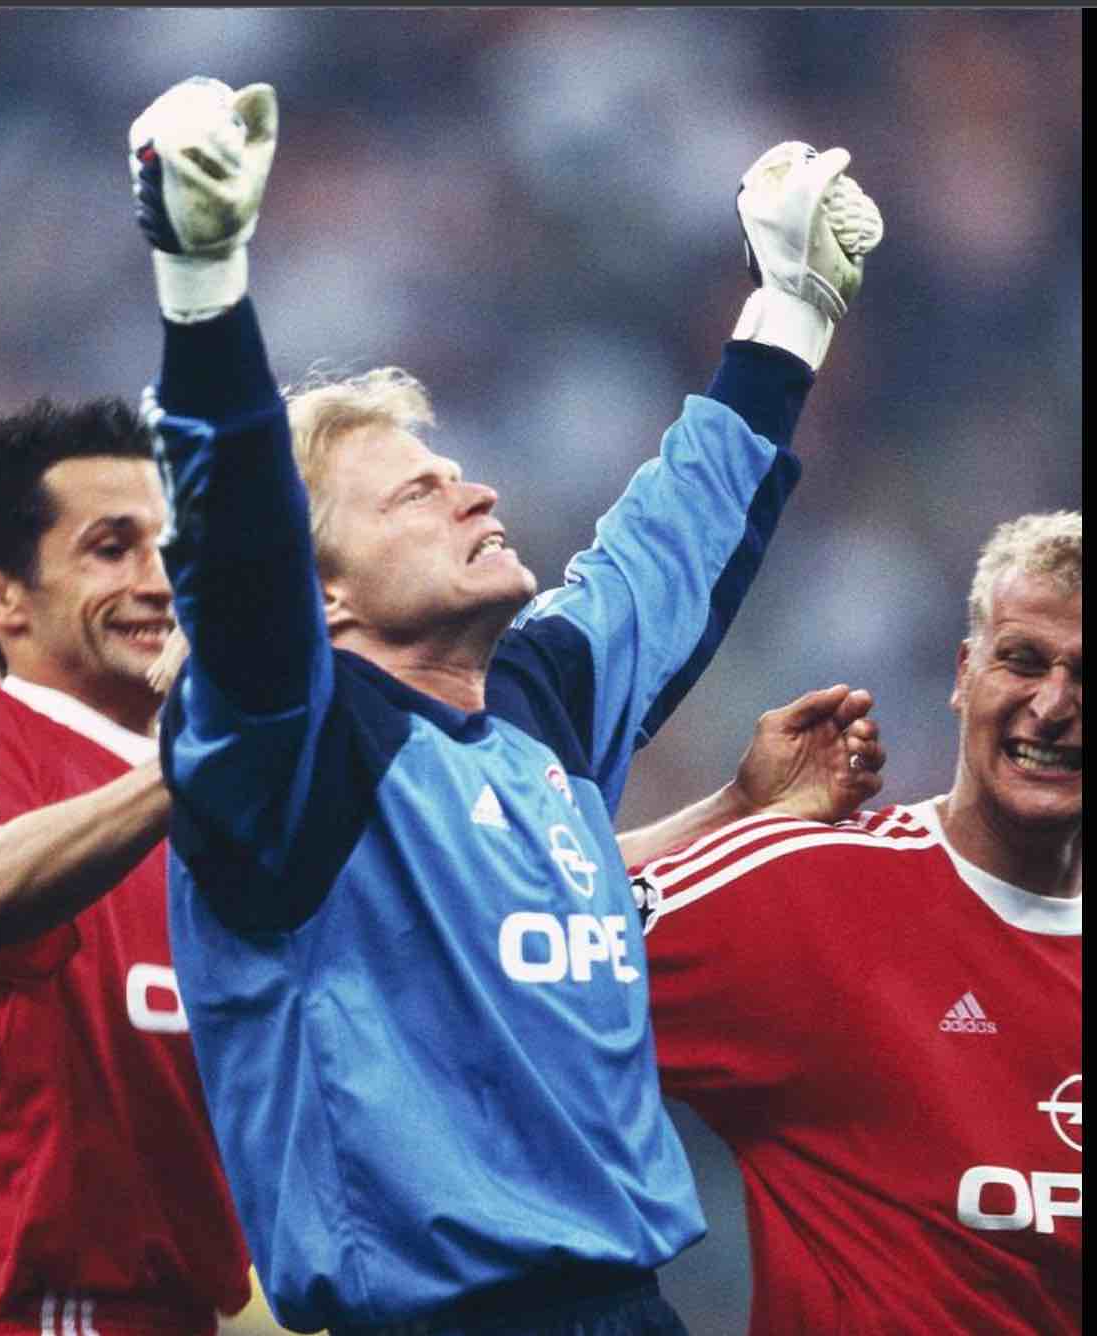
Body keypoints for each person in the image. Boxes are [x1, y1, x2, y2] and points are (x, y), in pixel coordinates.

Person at [126, 75, 882, 1335]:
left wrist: (788, 310)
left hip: (632, 1306)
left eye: (457, 473)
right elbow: (240, 557)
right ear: (320, 595)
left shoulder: (528, 709)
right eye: (415, 496)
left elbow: (668, 548)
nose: (474, 495)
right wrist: (203, 290)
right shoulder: (290, 753)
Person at [625, 510, 1081, 1335]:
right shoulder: (803, 888)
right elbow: (499, 942)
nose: (1052, 705)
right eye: (1021, 660)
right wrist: (727, 812)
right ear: (964, 673)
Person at [0, 396, 255, 1336]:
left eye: (172, 547)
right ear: (0, 598)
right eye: (111, 548)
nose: (160, 581)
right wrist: (187, 767)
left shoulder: (222, 788)